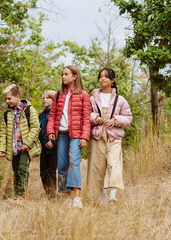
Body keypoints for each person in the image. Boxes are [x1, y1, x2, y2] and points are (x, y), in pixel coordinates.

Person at [47, 65, 90, 208]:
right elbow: (52, 115)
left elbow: (86, 118)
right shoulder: (59, 95)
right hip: (62, 135)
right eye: (62, 74)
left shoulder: (83, 95)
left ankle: (77, 198)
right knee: (62, 165)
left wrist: (84, 136)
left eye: (66, 74)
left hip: (76, 135)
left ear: (75, 76)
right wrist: (50, 131)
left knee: (74, 162)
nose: (63, 77)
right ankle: (67, 197)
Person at [87, 68, 132, 203]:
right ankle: (103, 196)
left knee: (114, 164)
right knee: (98, 165)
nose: (103, 79)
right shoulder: (92, 99)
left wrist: (115, 121)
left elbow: (128, 118)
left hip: (114, 137)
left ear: (112, 81)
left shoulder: (120, 99)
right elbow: (85, 115)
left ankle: (113, 195)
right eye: (100, 77)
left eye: (106, 77)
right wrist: (95, 118)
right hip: (97, 136)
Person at [0, 84, 41, 202]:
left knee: (22, 170)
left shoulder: (28, 110)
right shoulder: (7, 114)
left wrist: (27, 143)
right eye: (5, 99)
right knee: (16, 172)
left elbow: (35, 127)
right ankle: (17, 195)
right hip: (13, 148)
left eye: (9, 98)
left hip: (24, 148)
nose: (7, 101)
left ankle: (21, 196)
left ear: (17, 96)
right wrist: (2, 149)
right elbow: (3, 132)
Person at [39, 90, 58, 197]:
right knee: (43, 172)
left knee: (51, 171)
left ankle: (52, 196)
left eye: (47, 98)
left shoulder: (57, 114)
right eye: (43, 98)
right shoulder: (41, 115)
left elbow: (60, 129)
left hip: (54, 148)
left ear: (53, 99)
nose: (44, 99)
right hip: (43, 147)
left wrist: (53, 142)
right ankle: (48, 193)